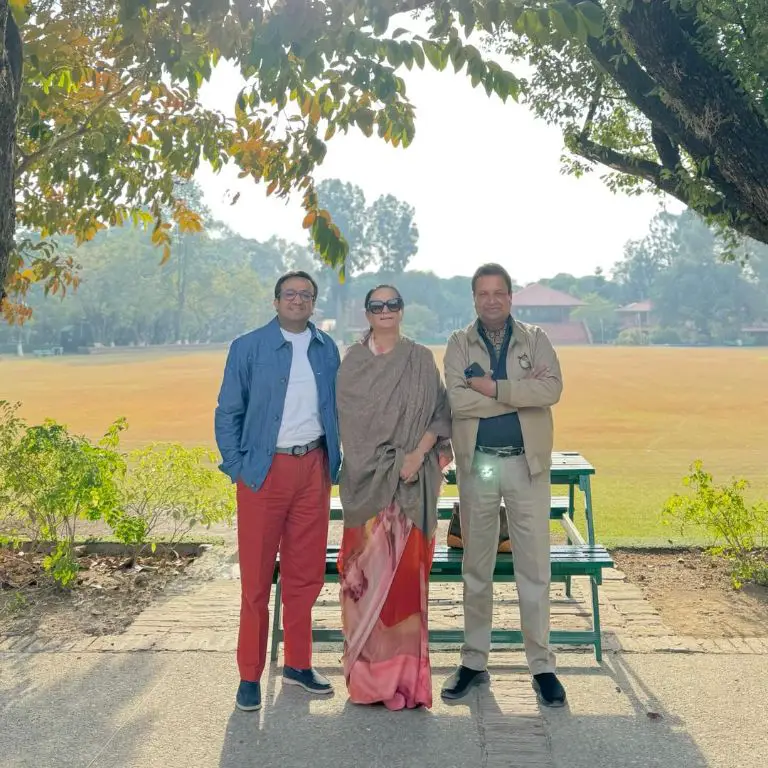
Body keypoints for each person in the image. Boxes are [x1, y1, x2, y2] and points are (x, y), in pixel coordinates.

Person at [214, 270, 342, 712]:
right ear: (276, 301)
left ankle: (299, 664)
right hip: (264, 473)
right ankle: (249, 674)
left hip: (314, 469)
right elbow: (228, 411)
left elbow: (337, 409)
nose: (298, 300)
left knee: (304, 577)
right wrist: (238, 468)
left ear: (313, 303)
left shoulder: (327, 349)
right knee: (255, 578)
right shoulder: (248, 347)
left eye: (307, 295)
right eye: (290, 293)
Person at [441, 263, 566, 707]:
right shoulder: (458, 343)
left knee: (534, 568)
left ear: (510, 297)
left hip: (526, 468)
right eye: (483, 293)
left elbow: (550, 390)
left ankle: (542, 666)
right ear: (474, 298)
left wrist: (492, 388)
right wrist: (514, 396)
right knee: (478, 567)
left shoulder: (536, 340)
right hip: (483, 468)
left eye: (499, 292)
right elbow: (457, 401)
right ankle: (474, 661)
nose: (491, 300)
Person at [335, 285, 452, 711]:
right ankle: (366, 682)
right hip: (367, 492)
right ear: (367, 313)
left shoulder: (420, 359)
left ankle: (405, 682)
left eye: (392, 304)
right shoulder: (353, 362)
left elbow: (440, 413)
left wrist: (416, 455)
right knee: (360, 587)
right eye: (376, 306)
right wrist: (389, 462)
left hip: (412, 488)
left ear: (402, 310)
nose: (385, 311)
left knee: (405, 590)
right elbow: (352, 426)